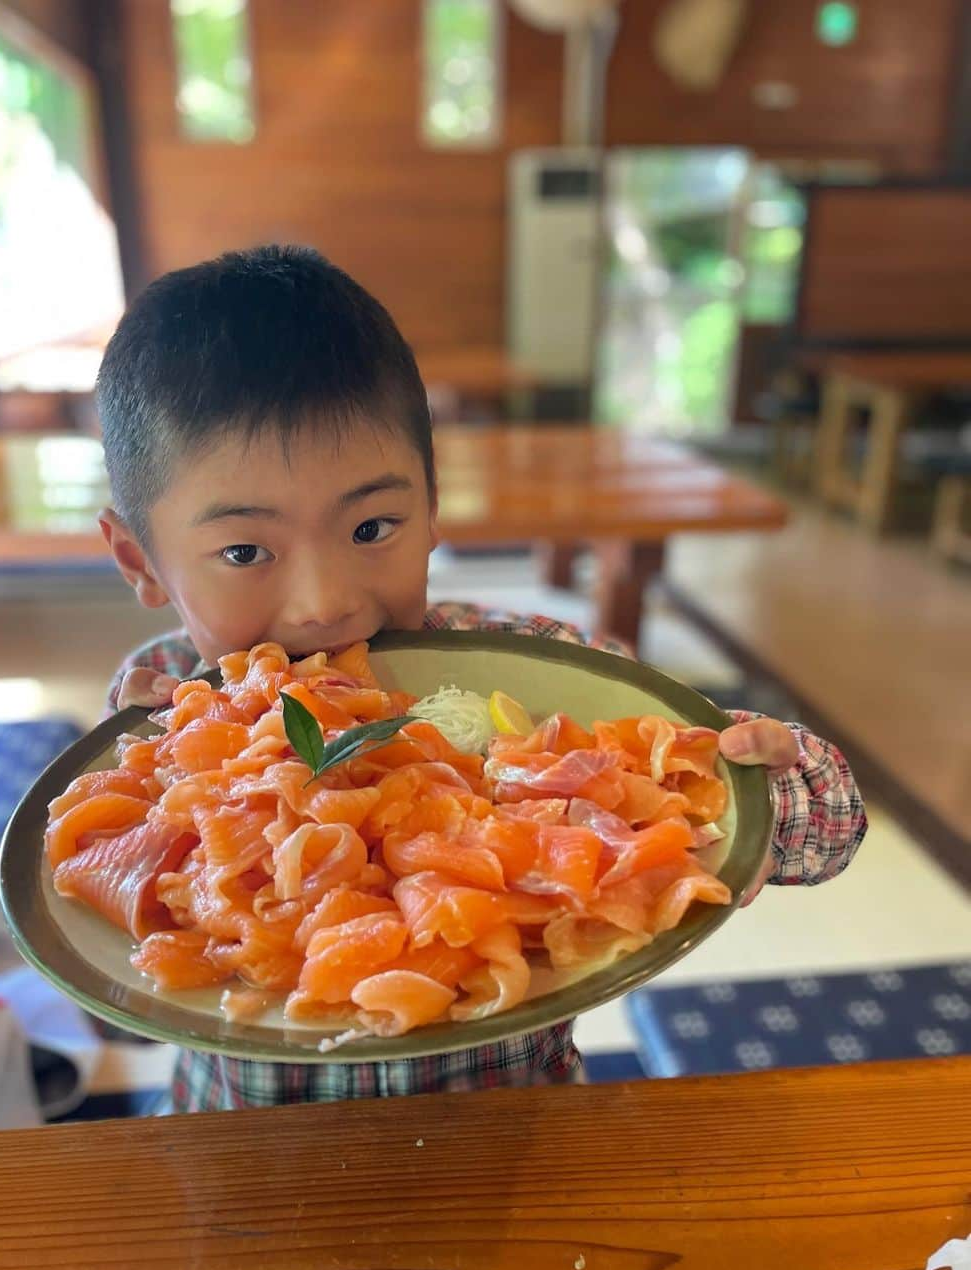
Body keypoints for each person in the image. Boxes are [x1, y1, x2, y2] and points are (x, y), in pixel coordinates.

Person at [94, 244, 866, 1109]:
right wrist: (154, 765)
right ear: (141, 559)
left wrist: (767, 785)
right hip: (238, 1135)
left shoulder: (536, 663)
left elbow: (829, 832)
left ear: (433, 507)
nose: (325, 604)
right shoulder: (160, 689)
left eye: (372, 527)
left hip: (516, 1127)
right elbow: (113, 931)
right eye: (244, 550)